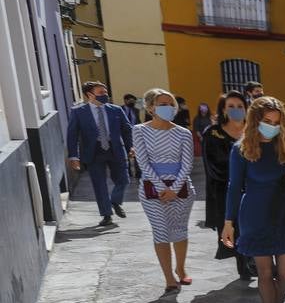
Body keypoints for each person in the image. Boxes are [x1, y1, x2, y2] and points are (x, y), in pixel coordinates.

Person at [221, 96, 285, 303]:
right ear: (255, 121)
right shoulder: (241, 150)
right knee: (265, 272)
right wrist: (229, 221)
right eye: (267, 121)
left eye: (276, 122)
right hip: (254, 214)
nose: (272, 126)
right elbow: (234, 187)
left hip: (284, 214)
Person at [133, 89, 196, 292]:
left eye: (171, 104)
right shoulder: (139, 130)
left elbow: (187, 164)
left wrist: (174, 189)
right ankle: (168, 277)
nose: (168, 107)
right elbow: (143, 161)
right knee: (160, 231)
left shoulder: (183, 133)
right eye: (162, 103)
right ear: (151, 107)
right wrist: (162, 188)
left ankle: (181, 268)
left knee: (179, 230)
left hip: (181, 189)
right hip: (152, 190)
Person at [66, 80, 133, 227]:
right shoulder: (78, 112)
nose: (105, 95)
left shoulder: (116, 110)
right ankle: (107, 214)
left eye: (106, 92)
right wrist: (73, 156)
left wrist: (131, 147)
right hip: (93, 151)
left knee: (123, 179)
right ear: (90, 95)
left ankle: (115, 201)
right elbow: (72, 135)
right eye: (101, 93)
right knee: (99, 184)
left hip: (115, 149)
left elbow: (127, 130)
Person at [202, 90, 254, 280]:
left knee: (253, 224)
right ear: (223, 110)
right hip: (225, 190)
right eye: (231, 106)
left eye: (240, 106)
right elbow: (215, 166)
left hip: (254, 189)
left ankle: (255, 259)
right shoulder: (213, 134)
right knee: (235, 226)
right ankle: (244, 264)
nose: (236, 110)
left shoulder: (253, 131)